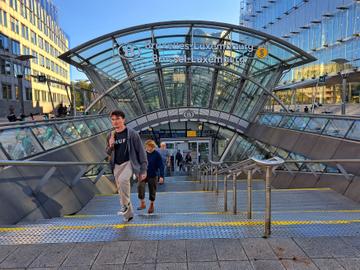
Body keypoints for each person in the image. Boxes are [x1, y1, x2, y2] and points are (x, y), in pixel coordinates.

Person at [106, 110, 148, 222]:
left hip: (129, 162)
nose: (115, 122)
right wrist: (111, 145)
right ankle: (128, 215)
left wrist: (143, 170)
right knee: (121, 189)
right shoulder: (110, 135)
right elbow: (108, 153)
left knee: (123, 180)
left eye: (118, 119)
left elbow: (141, 151)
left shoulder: (132, 134)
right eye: (113, 119)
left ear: (123, 120)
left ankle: (124, 205)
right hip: (116, 165)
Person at [137, 140, 164, 214]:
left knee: (152, 190)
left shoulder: (157, 155)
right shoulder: (143, 154)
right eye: (147, 147)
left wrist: (161, 176)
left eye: (149, 147)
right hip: (143, 174)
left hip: (153, 175)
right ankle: (142, 203)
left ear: (153, 147)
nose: (148, 148)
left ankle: (151, 205)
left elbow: (161, 166)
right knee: (140, 186)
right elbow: (138, 163)